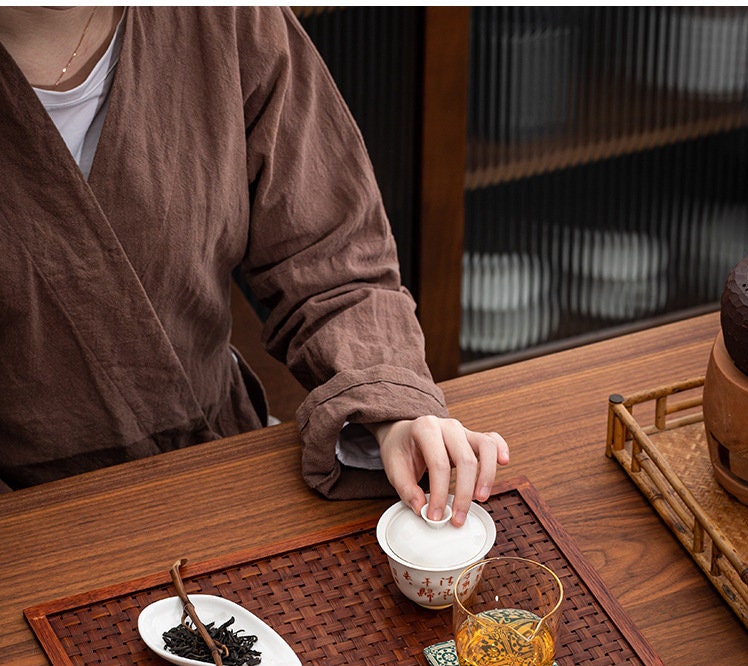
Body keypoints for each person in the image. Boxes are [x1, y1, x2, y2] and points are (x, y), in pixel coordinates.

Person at [0, 6, 508, 526]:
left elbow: (331, 258)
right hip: (23, 522)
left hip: (219, 467)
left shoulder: (226, 17)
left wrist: (394, 413)